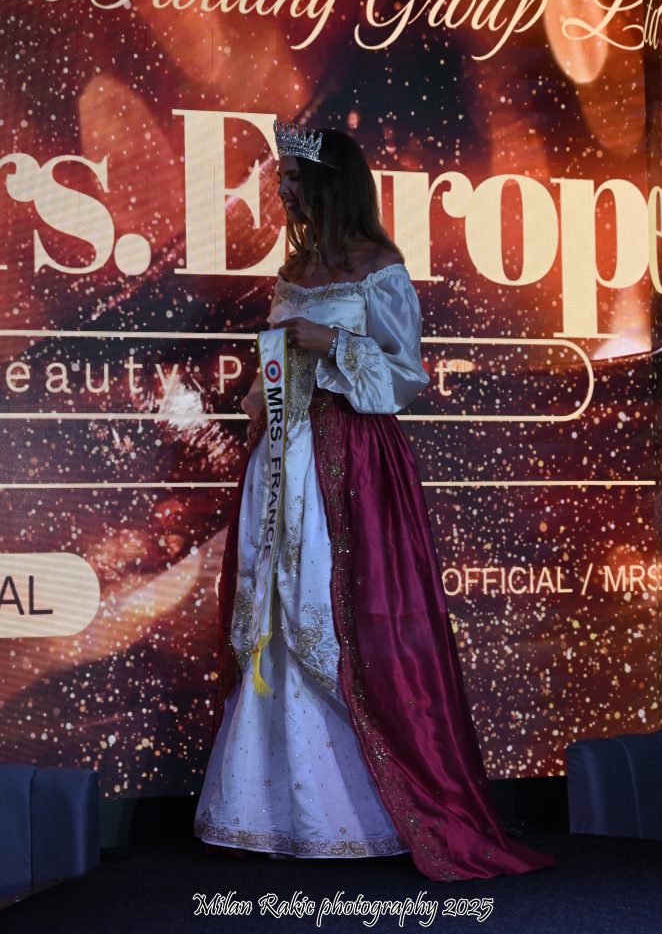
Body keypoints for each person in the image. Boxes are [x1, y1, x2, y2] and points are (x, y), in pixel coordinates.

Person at [193, 121, 554, 881]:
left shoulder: (380, 268)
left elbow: (404, 375)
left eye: (294, 177)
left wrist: (331, 344)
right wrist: (263, 393)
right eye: (282, 178)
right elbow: (273, 371)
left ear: (331, 183)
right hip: (284, 456)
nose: (284, 190)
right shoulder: (294, 270)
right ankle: (271, 814)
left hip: (350, 461)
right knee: (276, 615)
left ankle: (361, 813)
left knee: (334, 612)